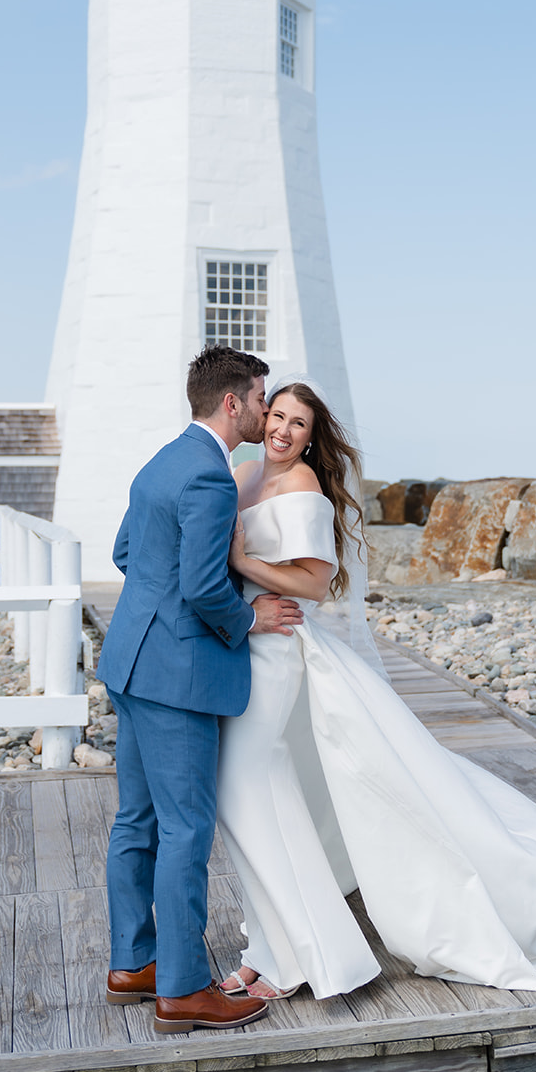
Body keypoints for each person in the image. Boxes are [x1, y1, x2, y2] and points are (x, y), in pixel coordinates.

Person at [215, 378, 536, 1002]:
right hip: (240, 642)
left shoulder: (302, 487)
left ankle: (290, 952)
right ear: (259, 414)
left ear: (311, 435)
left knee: (261, 792)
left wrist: (245, 565)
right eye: (276, 415)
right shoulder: (242, 472)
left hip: (279, 649)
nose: (283, 430)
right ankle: (273, 941)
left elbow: (315, 584)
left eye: (299, 423)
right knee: (288, 790)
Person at [98, 346, 304, 1035]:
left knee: (138, 822)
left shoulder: (162, 460)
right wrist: (248, 618)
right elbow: (204, 587)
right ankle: (184, 989)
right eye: (258, 398)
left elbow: (127, 554)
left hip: (129, 661)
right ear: (231, 402)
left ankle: (134, 964)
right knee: (185, 830)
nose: (263, 410)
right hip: (176, 677)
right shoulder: (212, 480)